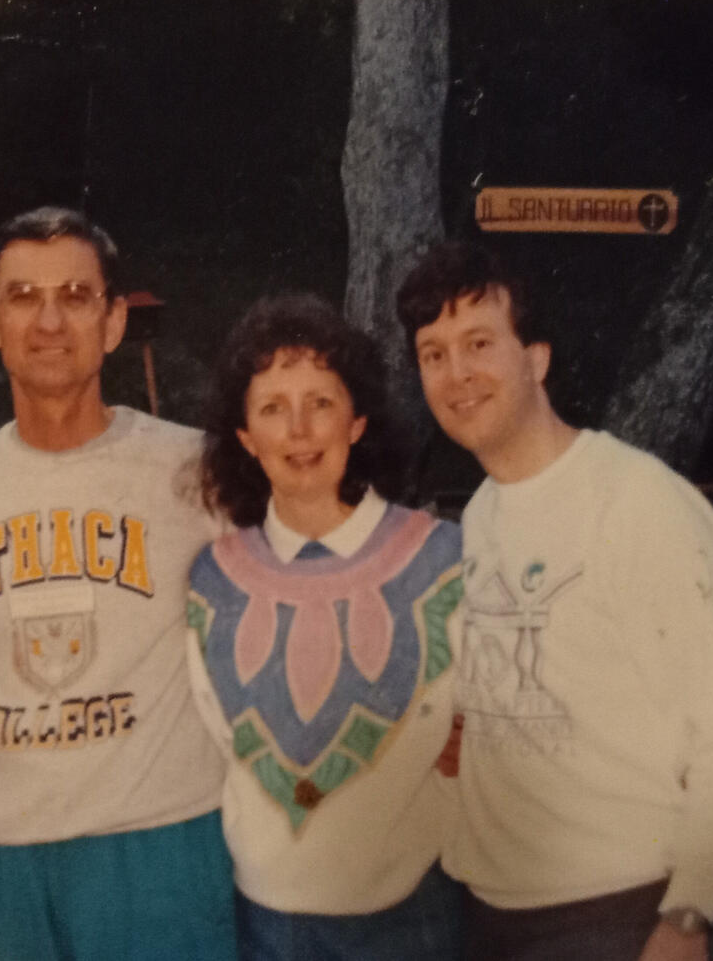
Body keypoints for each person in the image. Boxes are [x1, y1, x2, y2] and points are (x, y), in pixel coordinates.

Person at [0, 206, 235, 961]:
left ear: (111, 321)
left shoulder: (194, 471)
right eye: (22, 296)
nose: (48, 320)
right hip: (5, 859)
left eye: (74, 295)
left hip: (162, 843)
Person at [395, 241, 713, 961]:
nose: (456, 373)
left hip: (620, 914)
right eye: (433, 353)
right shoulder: (479, 516)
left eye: (479, 343)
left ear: (535, 357)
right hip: (493, 914)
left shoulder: (636, 500)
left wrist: (687, 914)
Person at [186, 293, 464, 960]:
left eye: (321, 403)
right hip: (265, 920)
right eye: (273, 409)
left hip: (410, 914)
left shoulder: (442, 556)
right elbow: (220, 742)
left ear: (358, 420)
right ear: (247, 437)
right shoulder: (213, 576)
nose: (300, 431)